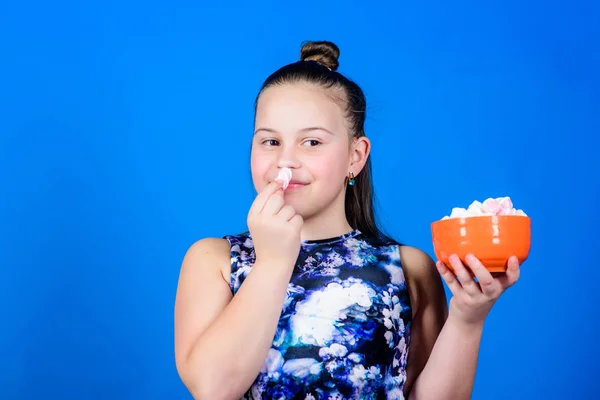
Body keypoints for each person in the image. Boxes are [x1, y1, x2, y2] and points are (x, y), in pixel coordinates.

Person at [174, 40, 521, 400]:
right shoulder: (214, 260)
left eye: (311, 142)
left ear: (356, 156)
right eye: (270, 141)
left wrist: (467, 318)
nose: (286, 161)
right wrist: (274, 261)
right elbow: (213, 388)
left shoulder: (408, 268)